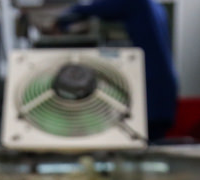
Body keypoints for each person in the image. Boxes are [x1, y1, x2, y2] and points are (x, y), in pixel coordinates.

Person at [57, 0, 177, 141]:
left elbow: (95, 8)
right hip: (163, 87)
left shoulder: (137, 3)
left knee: (142, 145)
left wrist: (62, 18)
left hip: (150, 89)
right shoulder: (156, 7)